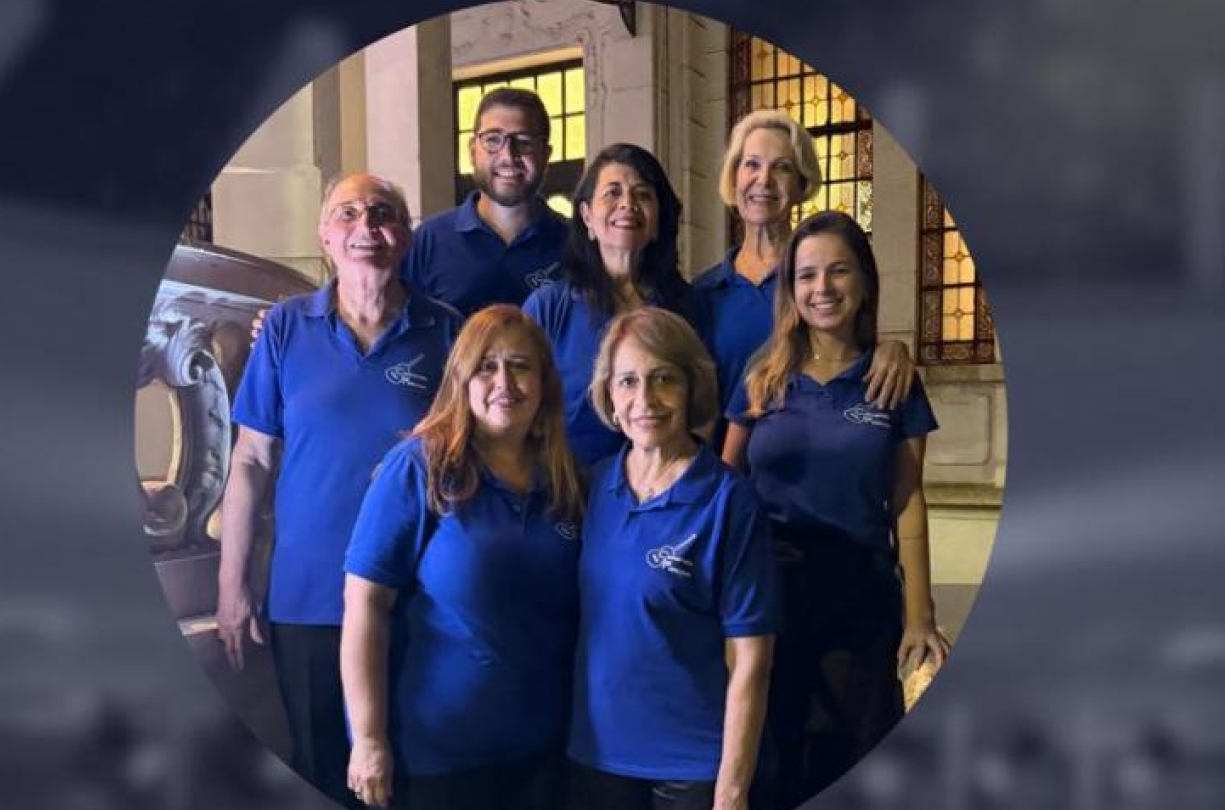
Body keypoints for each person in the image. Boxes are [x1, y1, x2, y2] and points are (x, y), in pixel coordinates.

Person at [217, 173, 462, 807]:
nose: (365, 227)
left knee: (409, 777)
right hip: (307, 601)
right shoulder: (284, 330)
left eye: (382, 214)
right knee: (318, 769)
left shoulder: (447, 331)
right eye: (347, 214)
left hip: (419, 598)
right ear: (325, 236)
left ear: (405, 236)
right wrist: (232, 583)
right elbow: (250, 459)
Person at [723, 211, 951, 808]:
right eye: (806, 275)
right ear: (790, 289)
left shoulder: (891, 379)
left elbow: (907, 499)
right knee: (772, 755)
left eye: (838, 271)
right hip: (770, 593)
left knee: (854, 756)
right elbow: (725, 484)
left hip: (859, 593)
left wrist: (920, 614)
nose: (821, 288)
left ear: (865, 282)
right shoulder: (761, 377)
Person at [341, 305, 584, 810]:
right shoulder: (420, 466)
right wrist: (368, 738)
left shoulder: (566, 480)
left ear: (543, 381)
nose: (505, 382)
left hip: (541, 751)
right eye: (486, 366)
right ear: (462, 379)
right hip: (440, 755)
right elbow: (364, 604)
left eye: (520, 366)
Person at [568, 306, 777, 810]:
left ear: (691, 387)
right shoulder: (591, 488)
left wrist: (732, 788)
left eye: (664, 378)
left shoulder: (729, 500)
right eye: (628, 382)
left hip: (693, 768)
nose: (645, 400)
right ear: (609, 397)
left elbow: (750, 657)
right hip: (594, 758)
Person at [695, 110, 913, 445]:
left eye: (781, 167)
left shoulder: (819, 287)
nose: (764, 180)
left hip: (804, 473)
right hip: (725, 478)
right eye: (751, 164)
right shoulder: (701, 293)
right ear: (734, 178)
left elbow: (850, 349)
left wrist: (891, 349)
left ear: (801, 183)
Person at [523, 143, 704, 466]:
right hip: (568, 495)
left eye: (643, 195)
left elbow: (703, 410)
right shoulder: (549, 308)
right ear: (587, 216)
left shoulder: (687, 306)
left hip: (658, 494)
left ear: (659, 219)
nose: (628, 205)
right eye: (613, 193)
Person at [401, 88, 568, 314]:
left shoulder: (575, 243)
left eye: (524, 141)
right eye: (493, 140)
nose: (508, 155)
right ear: (472, 151)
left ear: (546, 154)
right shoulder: (427, 242)